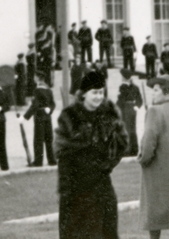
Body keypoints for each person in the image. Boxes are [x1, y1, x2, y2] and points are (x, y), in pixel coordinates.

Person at [55, 69, 128, 239]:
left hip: (102, 185)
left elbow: (122, 143)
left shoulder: (109, 113)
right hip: (76, 188)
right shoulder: (70, 116)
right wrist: (66, 192)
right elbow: (63, 156)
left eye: (101, 92)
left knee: (106, 230)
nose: (98, 97)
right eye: (94, 92)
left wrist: (106, 165)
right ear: (84, 94)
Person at [138, 75, 169, 239]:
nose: (153, 94)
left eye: (156, 90)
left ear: (166, 92)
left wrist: (143, 159)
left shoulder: (154, 111)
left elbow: (148, 143)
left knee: (155, 220)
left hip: (156, 172)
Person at [24, 72, 56, 166]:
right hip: (48, 118)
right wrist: (49, 109)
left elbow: (35, 105)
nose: (34, 78)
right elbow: (53, 104)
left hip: (39, 118)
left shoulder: (37, 90)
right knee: (49, 139)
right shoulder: (49, 90)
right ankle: (52, 160)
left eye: (35, 76)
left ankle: (38, 161)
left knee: (38, 140)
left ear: (37, 78)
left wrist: (25, 117)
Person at [116, 69, 142, 156]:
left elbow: (121, 100)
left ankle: (127, 150)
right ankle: (134, 148)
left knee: (126, 128)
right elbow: (139, 100)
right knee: (132, 129)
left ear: (124, 77)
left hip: (125, 108)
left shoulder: (123, 87)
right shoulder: (135, 87)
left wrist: (116, 109)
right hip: (132, 108)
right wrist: (136, 106)